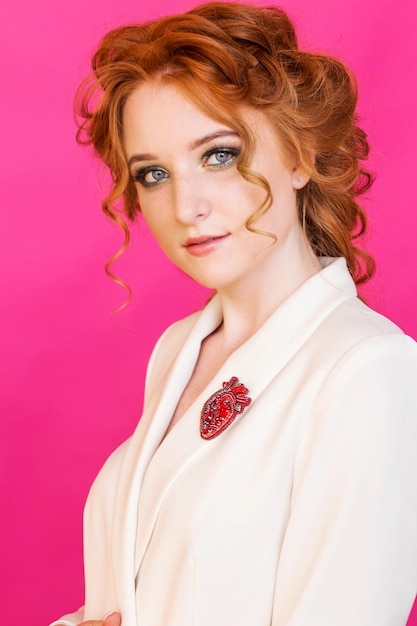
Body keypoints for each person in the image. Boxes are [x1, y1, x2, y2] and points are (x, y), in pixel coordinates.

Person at [50, 2, 417, 625]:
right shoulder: (180, 349)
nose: (185, 205)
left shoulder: (371, 372)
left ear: (299, 157)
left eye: (219, 155)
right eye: (154, 173)